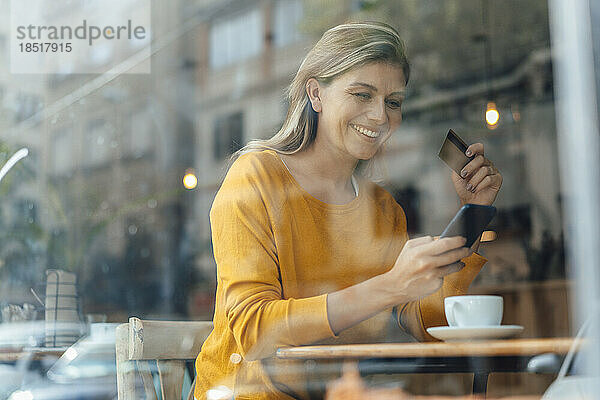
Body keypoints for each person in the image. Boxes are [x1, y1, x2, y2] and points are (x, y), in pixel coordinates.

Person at [194, 21, 503, 400]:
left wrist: (473, 212)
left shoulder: (383, 209)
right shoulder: (256, 176)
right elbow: (254, 330)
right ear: (316, 94)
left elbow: (427, 324)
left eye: (393, 102)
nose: (379, 116)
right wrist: (389, 286)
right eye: (361, 94)